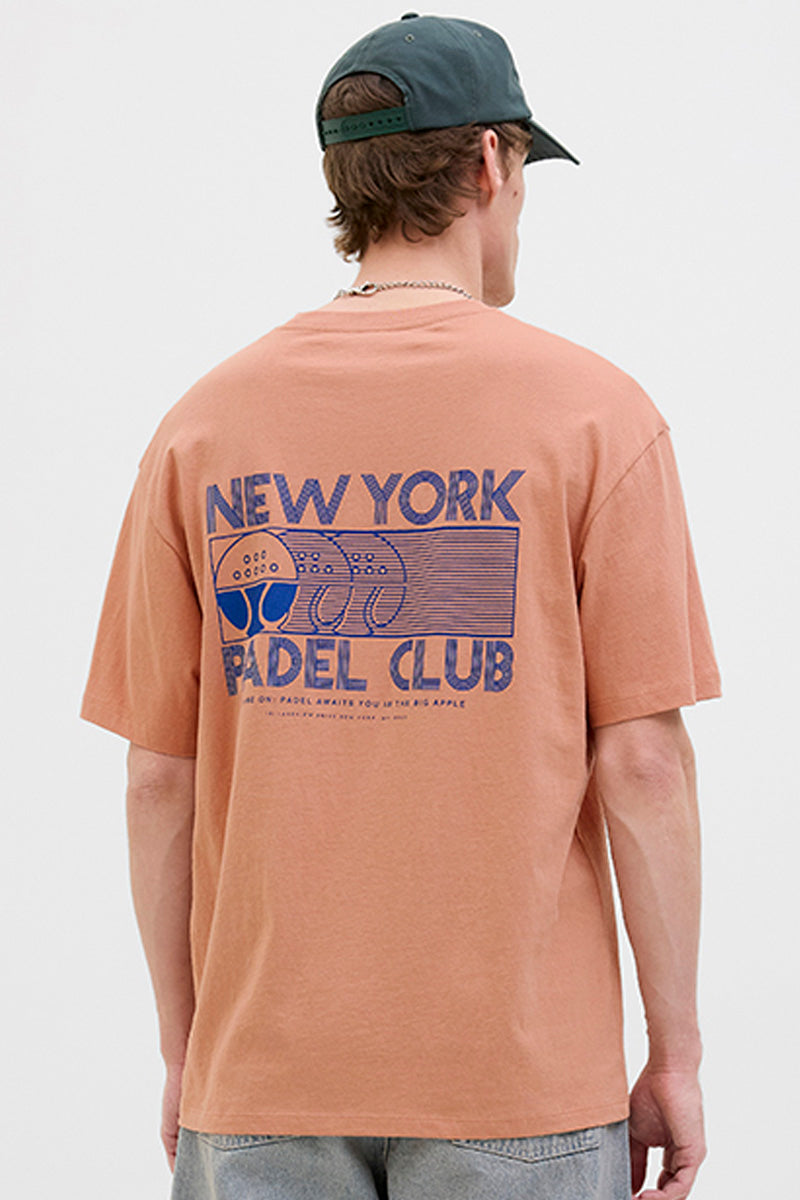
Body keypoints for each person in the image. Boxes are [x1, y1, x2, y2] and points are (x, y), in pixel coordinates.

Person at [81, 13, 722, 1200]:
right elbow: (642, 765)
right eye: (523, 172)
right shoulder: (595, 416)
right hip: (520, 1086)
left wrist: (186, 1050)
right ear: (486, 162)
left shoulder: (202, 426)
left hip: (260, 1080)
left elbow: (157, 777)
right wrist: (674, 1056)